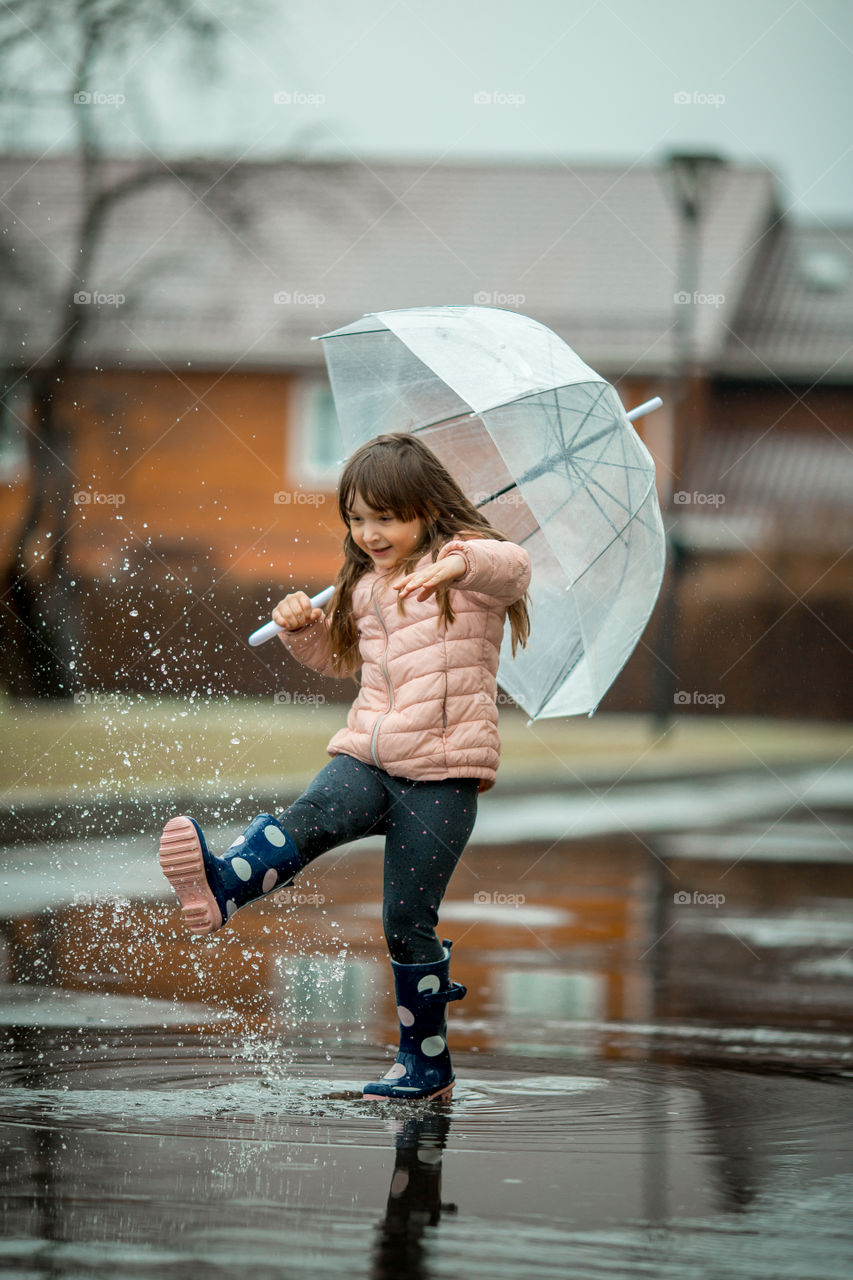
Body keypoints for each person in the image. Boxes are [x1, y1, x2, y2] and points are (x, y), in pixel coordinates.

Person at [158, 432, 531, 1100]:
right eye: (356, 519)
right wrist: (302, 625)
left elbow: (514, 566)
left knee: (406, 918)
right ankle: (222, 886)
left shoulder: (470, 569)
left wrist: (458, 565)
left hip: (442, 774)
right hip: (366, 753)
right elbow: (338, 661)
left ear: (425, 508)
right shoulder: (361, 583)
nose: (369, 533)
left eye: (384, 517)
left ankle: (425, 1064)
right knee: (311, 817)